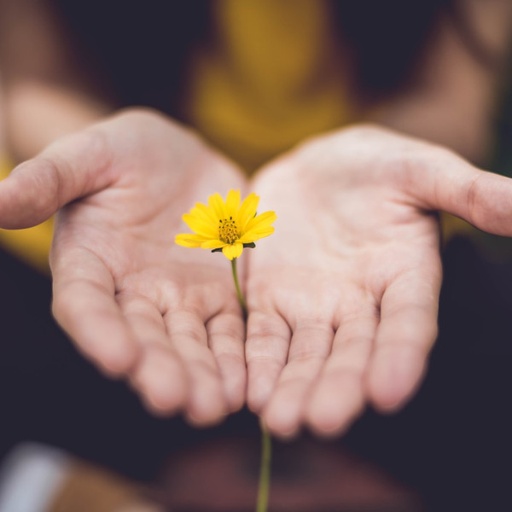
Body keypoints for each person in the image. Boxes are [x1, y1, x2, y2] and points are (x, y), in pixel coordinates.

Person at [1, 0, 512, 445]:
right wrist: (91, 149)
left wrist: (399, 154)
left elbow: (451, 97)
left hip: (372, 240)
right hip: (120, 239)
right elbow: (33, 81)